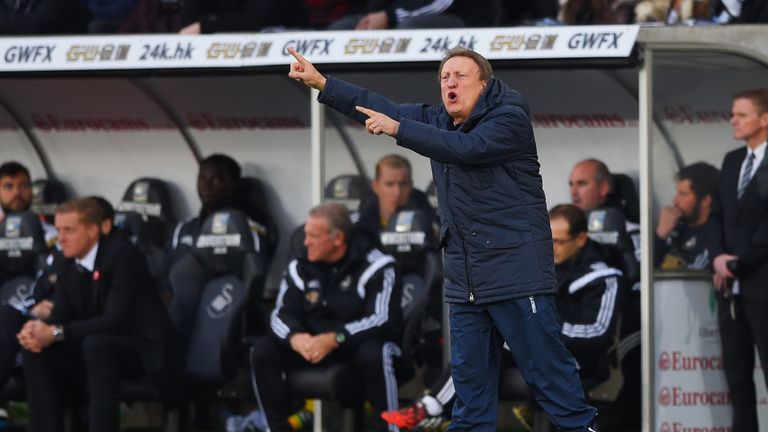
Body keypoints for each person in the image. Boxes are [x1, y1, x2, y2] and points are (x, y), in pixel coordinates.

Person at [287, 46, 597, 431]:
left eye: (461, 76)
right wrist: (323, 83)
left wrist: (398, 129)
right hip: (466, 282)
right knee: (470, 395)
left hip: (517, 275)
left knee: (551, 379)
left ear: (484, 84)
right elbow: (378, 106)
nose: (450, 83)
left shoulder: (509, 119)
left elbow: (463, 149)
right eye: (444, 77)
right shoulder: (439, 120)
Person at [382, 204, 624, 431]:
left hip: (578, 360)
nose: (551, 247)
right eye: (548, 240)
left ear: (581, 239)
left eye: (559, 242)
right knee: (479, 348)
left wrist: (544, 330)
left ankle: (431, 410)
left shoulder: (603, 276)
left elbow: (597, 331)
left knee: (494, 347)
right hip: (536, 347)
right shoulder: (540, 268)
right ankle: (434, 411)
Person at [17, 197, 176, 432]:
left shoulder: (123, 256)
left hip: (142, 351)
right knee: (36, 348)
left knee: (97, 344)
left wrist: (57, 332)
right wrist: (38, 330)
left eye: (69, 230)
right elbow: (61, 314)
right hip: (91, 347)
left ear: (93, 230)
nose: (61, 238)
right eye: (59, 230)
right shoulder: (64, 261)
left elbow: (114, 319)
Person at [250, 203, 402, 432]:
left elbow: (382, 318)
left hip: (352, 347)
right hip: (310, 346)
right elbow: (281, 314)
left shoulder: (377, 265)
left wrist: (336, 338)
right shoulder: (300, 265)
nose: (305, 241)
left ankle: (389, 429)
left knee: (377, 352)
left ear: (338, 238)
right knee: (262, 350)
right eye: (306, 234)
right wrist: (295, 338)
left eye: (313, 236)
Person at [709, 88, 768, 432]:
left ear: (764, 119)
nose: (733, 119)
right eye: (733, 113)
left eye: (741, 114)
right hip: (731, 289)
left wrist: (738, 263)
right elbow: (716, 214)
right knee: (736, 375)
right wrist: (718, 258)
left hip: (761, 282)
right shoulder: (732, 161)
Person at [655, 162, 720, 270]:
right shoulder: (673, 228)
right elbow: (643, 273)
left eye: (683, 194)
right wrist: (660, 235)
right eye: (677, 193)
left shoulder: (720, 233)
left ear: (705, 200)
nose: (675, 201)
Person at [354, 154, 433, 239]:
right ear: (375, 187)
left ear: (411, 186)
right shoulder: (356, 227)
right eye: (389, 184)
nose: (397, 192)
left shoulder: (431, 226)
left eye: (403, 184)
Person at [328, 0, 496, 30]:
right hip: (394, 16)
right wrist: (372, 16)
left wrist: (389, 17)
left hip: (459, 19)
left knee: (407, 28)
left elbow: (442, 3)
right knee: (341, 28)